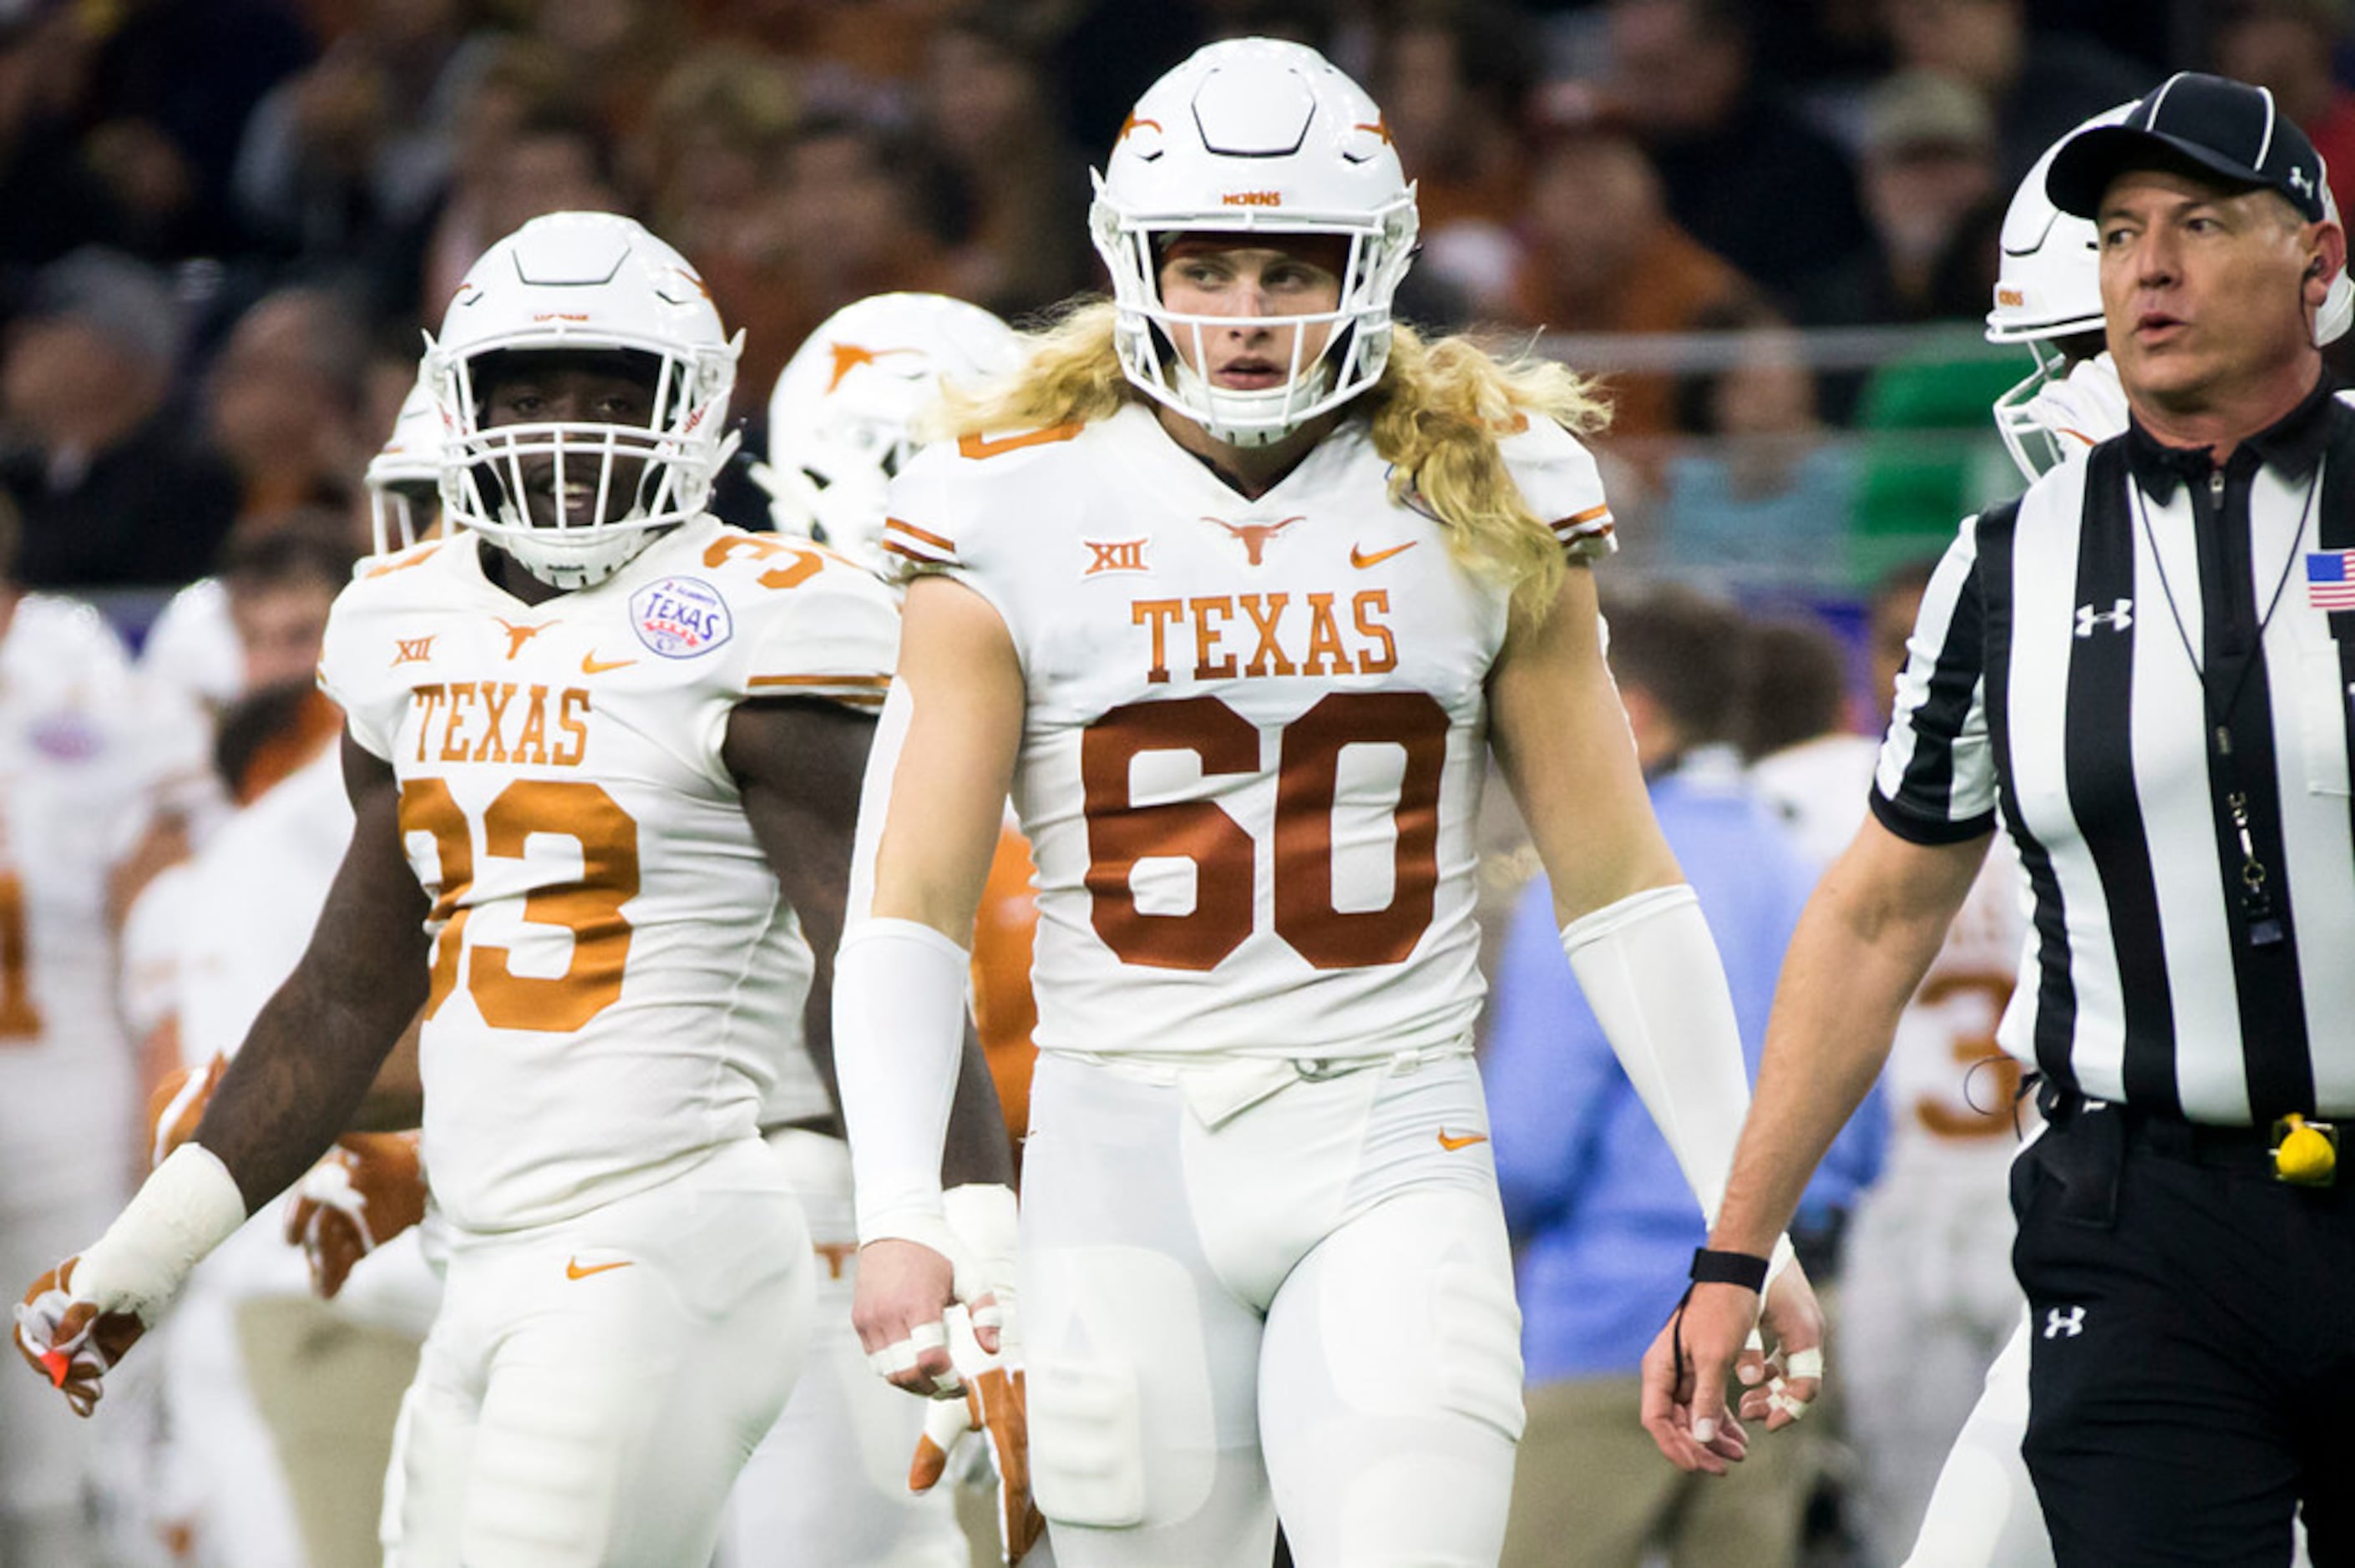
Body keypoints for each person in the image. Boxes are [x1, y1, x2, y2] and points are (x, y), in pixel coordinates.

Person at [833, 38, 1821, 1567]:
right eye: (1204, 264)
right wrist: (902, 1194)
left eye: (1287, 268)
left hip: (1390, 1132)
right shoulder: (1004, 497)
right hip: (1117, 1148)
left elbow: (1621, 881)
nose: (1240, 313)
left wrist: (1737, 1210)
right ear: (1128, 260)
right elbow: (910, 898)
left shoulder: (1484, 487)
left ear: (1373, 266)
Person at [12, 210, 1008, 1566]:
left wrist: (963, 1234)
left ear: (696, 402)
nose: (568, 434)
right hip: (485, 1257)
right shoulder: (406, 628)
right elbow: (350, 986)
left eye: (612, 393)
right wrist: (152, 1243)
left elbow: (882, 964)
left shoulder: (758, 618)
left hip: (672, 1232)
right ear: (458, 404)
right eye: (528, 394)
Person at [1642, 72, 2355, 1565]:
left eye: (2202, 223)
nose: (2148, 268)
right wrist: (1734, 1244)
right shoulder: (2006, 564)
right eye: (2119, 233)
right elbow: (1878, 905)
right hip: (2145, 1209)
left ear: (2318, 260)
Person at [1488, 585, 1882, 1568]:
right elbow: (1862, 1128)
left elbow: (1531, 1144)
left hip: (1612, 1326)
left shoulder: (1588, 884)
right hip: (1780, 1316)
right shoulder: (1800, 861)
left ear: (1637, 715)